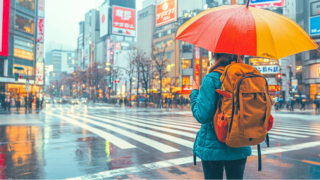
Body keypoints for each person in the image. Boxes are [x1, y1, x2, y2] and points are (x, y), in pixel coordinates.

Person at [190, 53, 251, 180]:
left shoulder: (212, 78)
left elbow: (202, 116)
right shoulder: (246, 76)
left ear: (215, 55)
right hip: (239, 143)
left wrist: (195, 92)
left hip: (213, 147)